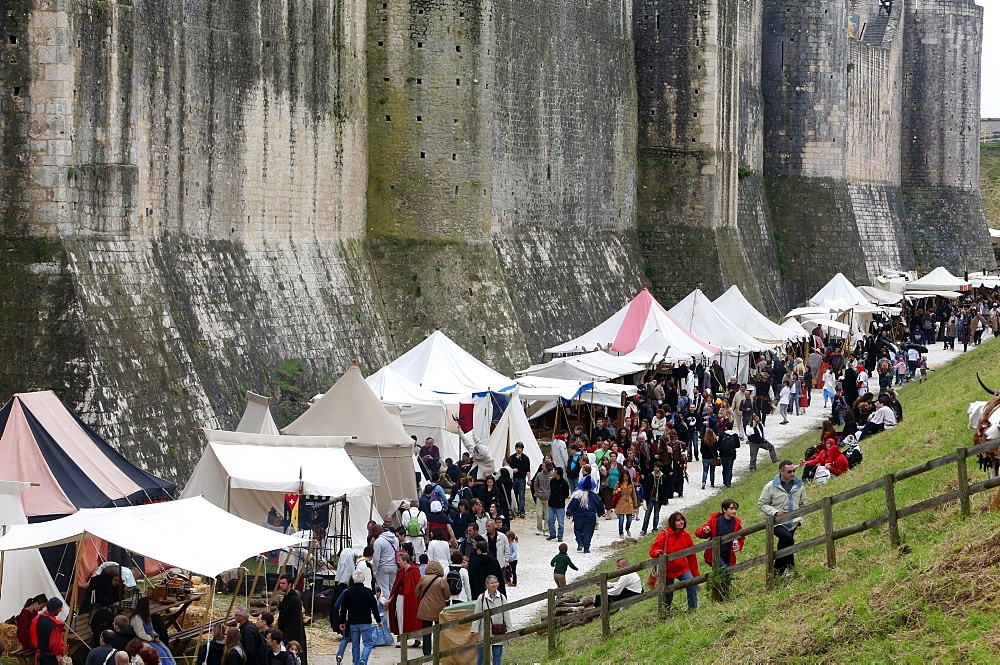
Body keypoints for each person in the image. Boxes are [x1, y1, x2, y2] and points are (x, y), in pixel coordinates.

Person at [758, 461, 807, 577]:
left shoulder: (799, 485)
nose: (792, 474)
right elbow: (762, 504)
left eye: (793, 471)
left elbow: (803, 503)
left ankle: (777, 572)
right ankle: (789, 567)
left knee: (785, 543)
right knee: (787, 537)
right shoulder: (770, 486)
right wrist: (775, 512)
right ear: (781, 471)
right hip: (776, 522)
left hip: (793, 522)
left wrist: (799, 518)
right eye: (789, 471)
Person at [649, 513, 699, 611]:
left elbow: (692, 556)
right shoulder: (664, 534)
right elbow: (653, 549)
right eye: (678, 520)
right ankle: (666, 612)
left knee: (691, 583)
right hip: (667, 570)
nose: (681, 522)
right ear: (673, 522)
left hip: (683, 567)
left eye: (682, 520)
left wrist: (695, 575)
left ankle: (693, 609)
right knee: (668, 594)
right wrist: (657, 552)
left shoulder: (686, 535)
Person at [336, 570, 382, 665]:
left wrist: (342, 621)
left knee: (355, 645)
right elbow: (374, 607)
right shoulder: (368, 592)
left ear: (353, 579)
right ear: (363, 579)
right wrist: (378, 620)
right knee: (368, 644)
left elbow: (344, 608)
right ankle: (363, 660)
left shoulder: (348, 592)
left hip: (353, 622)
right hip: (365, 621)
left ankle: (356, 662)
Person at [470, 576, 511, 665]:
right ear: (487, 584)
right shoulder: (481, 598)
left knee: (497, 654)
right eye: (492, 583)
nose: (494, 584)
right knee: (481, 655)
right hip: (484, 630)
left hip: (498, 630)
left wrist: (509, 629)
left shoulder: (501, 597)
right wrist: (474, 629)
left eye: (496, 582)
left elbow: (506, 614)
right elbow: (477, 614)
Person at [694, 499, 745, 568]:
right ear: (724, 510)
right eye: (732, 508)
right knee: (724, 571)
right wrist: (704, 530)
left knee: (724, 575)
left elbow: (740, 538)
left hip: (728, 555)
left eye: (735, 509)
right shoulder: (715, 521)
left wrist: (739, 546)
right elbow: (698, 533)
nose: (734, 511)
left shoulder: (737, 524)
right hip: (715, 553)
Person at [415, 560, 452, 656]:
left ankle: (426, 653)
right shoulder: (441, 581)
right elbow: (447, 596)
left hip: (425, 609)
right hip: (439, 609)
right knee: (439, 631)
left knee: (426, 631)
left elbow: (416, 593)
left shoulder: (423, 579)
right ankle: (438, 651)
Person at [388, 552, 422, 648]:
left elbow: (417, 585)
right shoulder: (401, 571)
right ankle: (403, 639)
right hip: (401, 597)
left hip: (412, 599)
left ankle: (417, 639)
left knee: (414, 618)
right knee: (400, 618)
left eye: (400, 560)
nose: (398, 562)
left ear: (405, 561)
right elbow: (396, 585)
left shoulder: (414, 571)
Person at [566, 476, 606, 554]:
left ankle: (580, 543)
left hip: (578, 516)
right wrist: (600, 513)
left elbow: (572, 505)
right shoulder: (594, 496)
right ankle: (586, 548)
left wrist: (569, 513)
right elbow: (600, 504)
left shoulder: (577, 495)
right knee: (589, 531)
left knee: (577, 530)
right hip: (591, 517)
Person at [130, 599, 176, 665]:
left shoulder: (146, 616)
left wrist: (155, 635)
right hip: (143, 641)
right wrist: (152, 639)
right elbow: (140, 634)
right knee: (160, 653)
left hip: (151, 639)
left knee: (166, 651)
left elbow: (151, 629)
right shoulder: (136, 617)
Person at [276, 576, 306, 665]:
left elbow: (290, 618)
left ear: (290, 585)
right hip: (285, 629)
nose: (281, 585)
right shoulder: (287, 597)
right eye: (280, 583)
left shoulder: (294, 600)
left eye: (283, 583)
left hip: (292, 632)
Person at [30, 597, 66, 665]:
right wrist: (60, 659)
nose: (60, 610)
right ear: (55, 609)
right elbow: (55, 645)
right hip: (50, 659)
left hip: (39, 654)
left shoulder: (36, 619)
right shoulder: (54, 625)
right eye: (59, 608)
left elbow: (32, 635)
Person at [639, 461, 669, 536]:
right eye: (655, 467)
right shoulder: (650, 476)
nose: (656, 468)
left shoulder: (663, 477)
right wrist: (645, 498)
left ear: (660, 468)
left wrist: (664, 500)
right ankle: (644, 530)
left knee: (656, 515)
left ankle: (654, 529)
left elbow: (665, 489)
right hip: (650, 498)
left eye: (657, 467)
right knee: (647, 514)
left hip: (658, 499)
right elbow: (646, 487)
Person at [372, 524, 400, 599]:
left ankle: (386, 608)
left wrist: (375, 570)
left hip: (383, 567)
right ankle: (393, 607)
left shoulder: (378, 541)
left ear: (376, 532)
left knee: (384, 589)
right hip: (394, 566)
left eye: (373, 532)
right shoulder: (395, 539)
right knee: (392, 588)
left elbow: (376, 558)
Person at [547, 467, 570, 542]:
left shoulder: (564, 483)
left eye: (555, 472)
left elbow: (566, 494)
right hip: (551, 504)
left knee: (560, 522)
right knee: (550, 520)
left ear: (558, 474)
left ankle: (560, 536)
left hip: (560, 505)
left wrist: (561, 498)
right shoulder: (552, 481)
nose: (553, 473)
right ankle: (552, 534)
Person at [508, 442, 531, 519]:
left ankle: (521, 511)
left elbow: (528, 470)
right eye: (517, 448)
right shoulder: (512, 458)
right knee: (514, 495)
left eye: (520, 448)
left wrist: (529, 479)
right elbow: (508, 468)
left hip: (522, 479)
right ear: (515, 448)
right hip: (514, 479)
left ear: (522, 449)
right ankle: (516, 509)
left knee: (521, 496)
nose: (518, 449)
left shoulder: (525, 458)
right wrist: (512, 471)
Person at [529, 462, 552, 536]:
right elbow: (535, 484)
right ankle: (539, 528)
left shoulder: (552, 475)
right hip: (540, 497)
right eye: (542, 466)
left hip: (548, 498)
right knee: (539, 514)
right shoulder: (539, 475)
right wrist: (536, 493)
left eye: (544, 466)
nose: (543, 467)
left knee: (547, 515)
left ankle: (546, 529)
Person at [614, 471, 638, 538]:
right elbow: (613, 492)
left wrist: (635, 504)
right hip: (621, 502)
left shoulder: (631, 484)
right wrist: (617, 491)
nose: (625, 478)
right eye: (624, 476)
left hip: (628, 502)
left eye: (626, 476)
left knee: (629, 519)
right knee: (621, 519)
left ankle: (627, 528)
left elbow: (634, 494)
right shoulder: (619, 483)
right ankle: (621, 532)